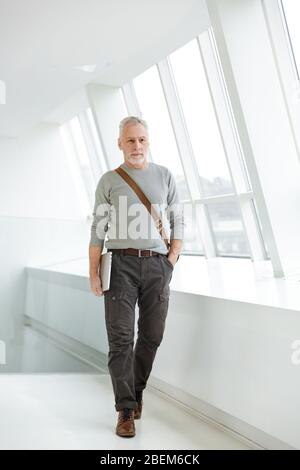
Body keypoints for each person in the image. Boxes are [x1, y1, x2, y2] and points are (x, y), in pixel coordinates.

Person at [89, 116, 184, 438]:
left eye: (141, 139)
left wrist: (172, 258)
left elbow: (179, 219)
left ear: (148, 141)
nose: (137, 146)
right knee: (120, 340)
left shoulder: (164, 175)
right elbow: (97, 230)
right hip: (120, 266)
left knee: (152, 335)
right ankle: (125, 410)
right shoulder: (109, 180)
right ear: (120, 143)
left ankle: (136, 390)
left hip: (158, 266)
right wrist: (93, 273)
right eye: (130, 140)